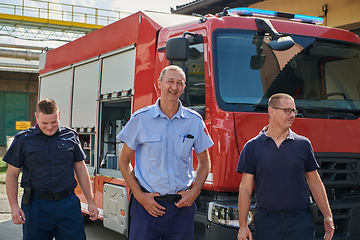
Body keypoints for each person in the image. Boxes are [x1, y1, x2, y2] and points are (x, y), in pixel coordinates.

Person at [117, 65, 214, 240]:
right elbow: (123, 161)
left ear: (184, 88)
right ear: (159, 83)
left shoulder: (194, 121)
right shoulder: (141, 119)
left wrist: (195, 192)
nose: (174, 87)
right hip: (147, 208)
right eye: (170, 81)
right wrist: (140, 196)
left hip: (181, 209)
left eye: (179, 83)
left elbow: (205, 162)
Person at [236, 93, 335, 240]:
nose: (292, 115)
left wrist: (328, 216)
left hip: (300, 222)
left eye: (294, 111)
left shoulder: (303, 144)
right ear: (271, 111)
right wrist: (243, 226)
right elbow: (245, 189)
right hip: (266, 223)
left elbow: (315, 183)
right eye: (287, 110)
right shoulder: (252, 147)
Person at [4, 98, 98, 240]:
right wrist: (14, 206)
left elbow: (81, 170)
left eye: (54, 122)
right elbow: (11, 174)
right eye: (44, 123)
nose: (49, 127)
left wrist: (90, 201)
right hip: (36, 205)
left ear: (59, 115)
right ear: (36, 117)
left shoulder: (71, 136)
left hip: (68, 205)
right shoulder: (22, 140)